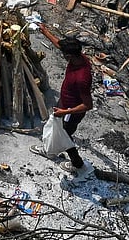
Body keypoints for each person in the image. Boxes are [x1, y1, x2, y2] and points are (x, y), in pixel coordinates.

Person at [31, 35, 94, 173]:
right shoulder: (78, 57)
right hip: (65, 102)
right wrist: (44, 30)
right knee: (56, 128)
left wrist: (65, 112)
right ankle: (49, 150)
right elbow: (60, 45)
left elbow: (88, 105)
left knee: (65, 136)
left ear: (69, 56)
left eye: (64, 54)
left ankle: (78, 165)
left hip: (71, 111)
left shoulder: (82, 77)